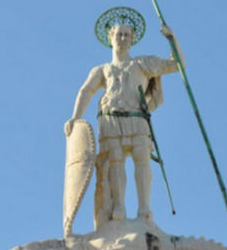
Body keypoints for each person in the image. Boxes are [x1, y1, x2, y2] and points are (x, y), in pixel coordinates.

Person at [64, 22, 184, 226]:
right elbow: (86, 91)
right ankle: (118, 207)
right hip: (111, 118)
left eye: (127, 35)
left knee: (142, 159)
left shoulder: (143, 64)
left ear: (132, 39)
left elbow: (177, 64)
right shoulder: (102, 70)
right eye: (119, 34)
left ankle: (144, 210)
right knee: (115, 161)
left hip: (136, 117)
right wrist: (75, 117)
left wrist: (172, 39)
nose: (123, 38)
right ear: (110, 37)